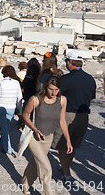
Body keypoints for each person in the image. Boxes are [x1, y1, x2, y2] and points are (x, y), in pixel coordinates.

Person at [21, 76, 73, 195]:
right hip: (34, 138)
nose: (53, 92)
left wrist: (68, 141)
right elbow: (25, 115)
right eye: (51, 89)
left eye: (56, 89)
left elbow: (62, 121)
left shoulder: (62, 100)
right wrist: (35, 129)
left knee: (35, 163)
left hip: (48, 138)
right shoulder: (36, 99)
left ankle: (25, 183)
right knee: (46, 168)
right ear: (46, 88)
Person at [53, 50, 96, 184]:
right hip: (83, 116)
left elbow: (56, 97)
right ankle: (65, 168)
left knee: (62, 145)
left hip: (68, 115)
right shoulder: (90, 79)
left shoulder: (65, 80)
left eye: (66, 61)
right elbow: (92, 97)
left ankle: (66, 174)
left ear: (70, 62)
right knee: (72, 146)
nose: (66, 64)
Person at [0, 65, 22, 156]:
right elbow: (20, 97)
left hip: (2, 106)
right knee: (6, 126)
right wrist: (18, 108)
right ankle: (2, 142)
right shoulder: (16, 83)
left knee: (4, 127)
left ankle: (7, 148)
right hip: (12, 107)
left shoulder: (1, 83)